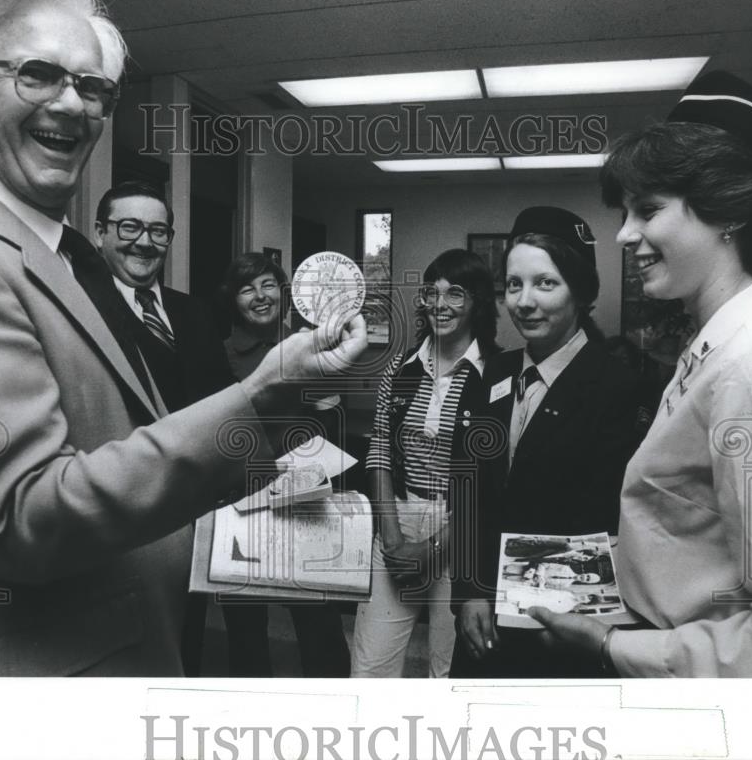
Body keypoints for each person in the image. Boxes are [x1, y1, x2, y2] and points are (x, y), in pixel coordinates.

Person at [0, 0, 365, 676]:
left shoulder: (69, 258)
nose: (72, 104)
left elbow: (122, 451)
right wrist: (258, 393)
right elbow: (23, 518)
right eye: (38, 75)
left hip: (126, 654)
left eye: (92, 87)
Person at [530, 70, 752, 677]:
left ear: (726, 212)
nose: (626, 235)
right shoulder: (717, 346)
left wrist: (612, 647)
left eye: (648, 210)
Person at [450, 207, 649, 678]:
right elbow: (470, 490)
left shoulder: (616, 385)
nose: (524, 301)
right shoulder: (491, 374)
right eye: (514, 285)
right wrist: (470, 591)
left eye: (545, 283)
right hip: (486, 613)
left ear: (580, 291)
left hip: (565, 620)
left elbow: (615, 515)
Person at [94, 180, 236, 675]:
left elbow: (224, 402)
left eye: (158, 230)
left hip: (193, 513)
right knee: (120, 655)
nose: (144, 241)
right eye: (129, 226)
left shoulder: (194, 312)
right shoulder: (82, 312)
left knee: (184, 647)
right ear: (99, 233)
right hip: (120, 514)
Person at [352, 249, 500, 678]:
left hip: (465, 530)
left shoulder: (498, 374)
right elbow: (379, 448)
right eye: (431, 293)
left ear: (477, 303)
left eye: (455, 293)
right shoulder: (401, 368)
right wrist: (393, 534)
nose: (440, 304)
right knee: (370, 668)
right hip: (400, 519)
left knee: (449, 672)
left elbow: (494, 480)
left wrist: (433, 548)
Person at [215, 252, 351, 677]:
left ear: (285, 293)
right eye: (246, 288)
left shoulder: (315, 345)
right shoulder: (218, 355)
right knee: (246, 629)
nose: (260, 296)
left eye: (268, 285)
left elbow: (329, 419)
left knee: (320, 624)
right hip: (241, 503)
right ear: (233, 300)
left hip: (306, 501)